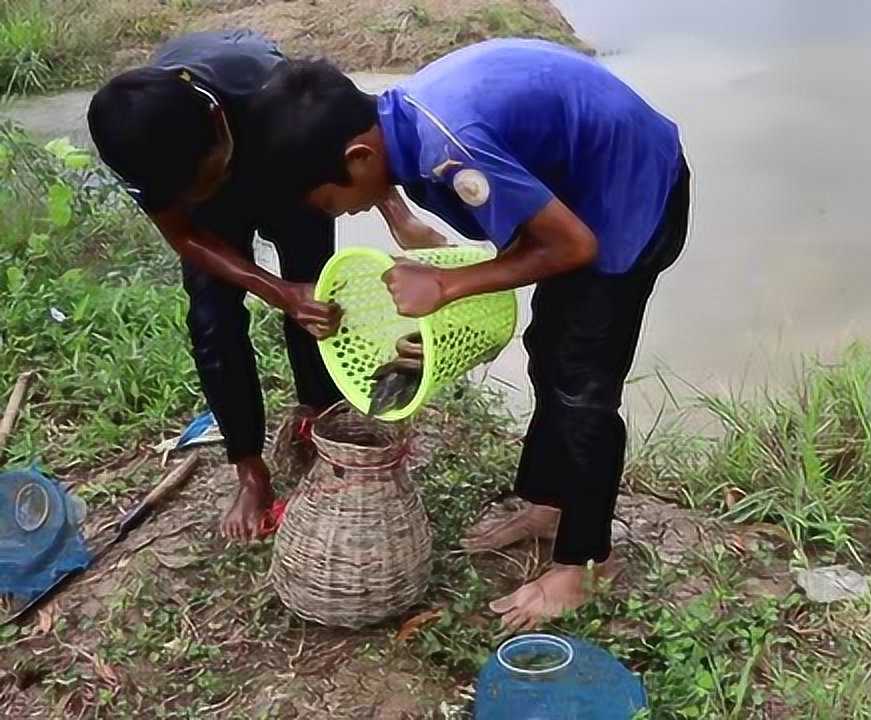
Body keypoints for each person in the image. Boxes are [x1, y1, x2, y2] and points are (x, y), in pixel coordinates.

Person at [249, 38, 691, 629]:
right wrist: (439, 297)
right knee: (547, 350)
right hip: (576, 189)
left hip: (632, 193)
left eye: (332, 203)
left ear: (357, 157)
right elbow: (526, 228)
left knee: (582, 384)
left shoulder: (449, 152)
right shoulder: (400, 126)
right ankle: (549, 503)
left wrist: (447, 287)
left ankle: (586, 562)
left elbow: (574, 246)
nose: (343, 214)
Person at [86, 30, 447, 541]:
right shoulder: (141, 147)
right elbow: (185, 233)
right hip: (208, 211)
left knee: (315, 299)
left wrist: (393, 208)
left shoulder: (266, 86)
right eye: (186, 191)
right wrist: (274, 291)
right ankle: (250, 470)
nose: (199, 194)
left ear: (218, 123)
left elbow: (352, 132)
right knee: (212, 322)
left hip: (288, 175)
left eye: (207, 179)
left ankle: (319, 417)